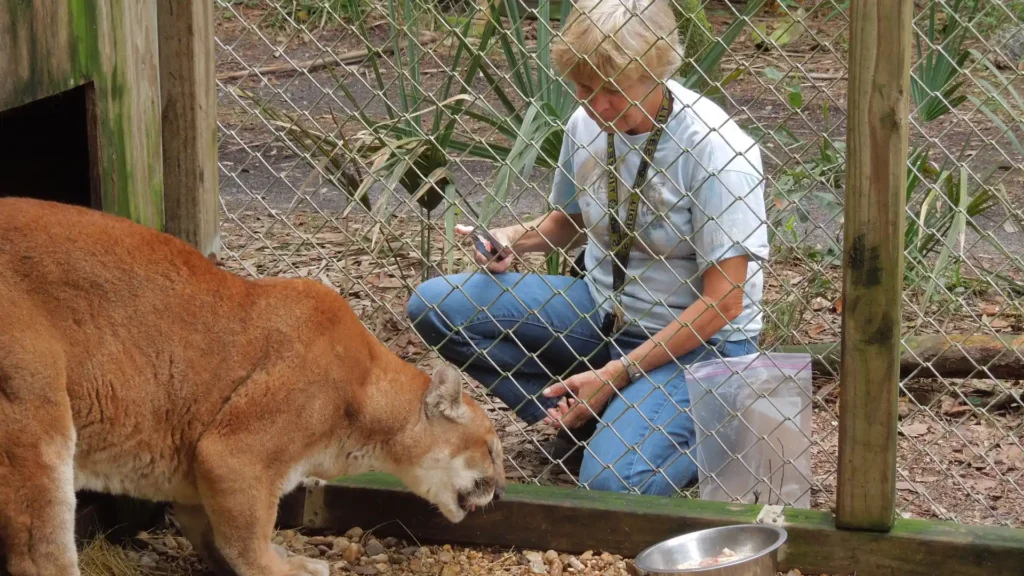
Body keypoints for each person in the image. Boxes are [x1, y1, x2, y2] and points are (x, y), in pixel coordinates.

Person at [405, 0, 769, 495]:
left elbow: (724, 302)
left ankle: (714, 426)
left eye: (613, 92)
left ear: (657, 73)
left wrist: (617, 374)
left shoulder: (716, 148)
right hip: (604, 313)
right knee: (437, 305)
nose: (596, 106)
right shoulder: (587, 123)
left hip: (700, 348)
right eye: (582, 87)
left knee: (613, 485)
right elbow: (571, 220)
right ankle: (583, 418)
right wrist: (513, 237)